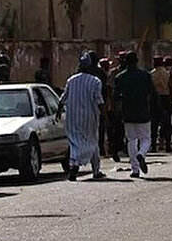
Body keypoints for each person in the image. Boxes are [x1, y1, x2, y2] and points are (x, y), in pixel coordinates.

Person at [59, 53, 106, 182]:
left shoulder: (71, 80)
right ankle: (87, 168)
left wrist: (58, 111)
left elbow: (63, 98)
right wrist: (104, 115)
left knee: (75, 142)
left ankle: (79, 166)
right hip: (89, 118)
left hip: (72, 117)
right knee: (92, 141)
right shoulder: (95, 81)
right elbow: (99, 100)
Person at [114, 51, 156, 178]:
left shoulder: (120, 77)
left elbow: (116, 97)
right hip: (143, 111)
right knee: (146, 138)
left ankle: (135, 170)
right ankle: (141, 154)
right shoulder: (145, 75)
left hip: (128, 112)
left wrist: (118, 113)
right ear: (137, 61)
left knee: (131, 140)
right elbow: (152, 93)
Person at [149, 56, 172, 153]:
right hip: (166, 98)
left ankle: (154, 145)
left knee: (154, 123)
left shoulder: (151, 74)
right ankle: (167, 145)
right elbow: (171, 86)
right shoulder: (167, 73)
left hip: (154, 99)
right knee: (166, 122)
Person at [106, 53, 126, 161]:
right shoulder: (114, 73)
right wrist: (111, 103)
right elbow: (109, 89)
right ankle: (114, 149)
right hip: (117, 104)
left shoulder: (128, 73)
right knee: (117, 128)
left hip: (127, 104)